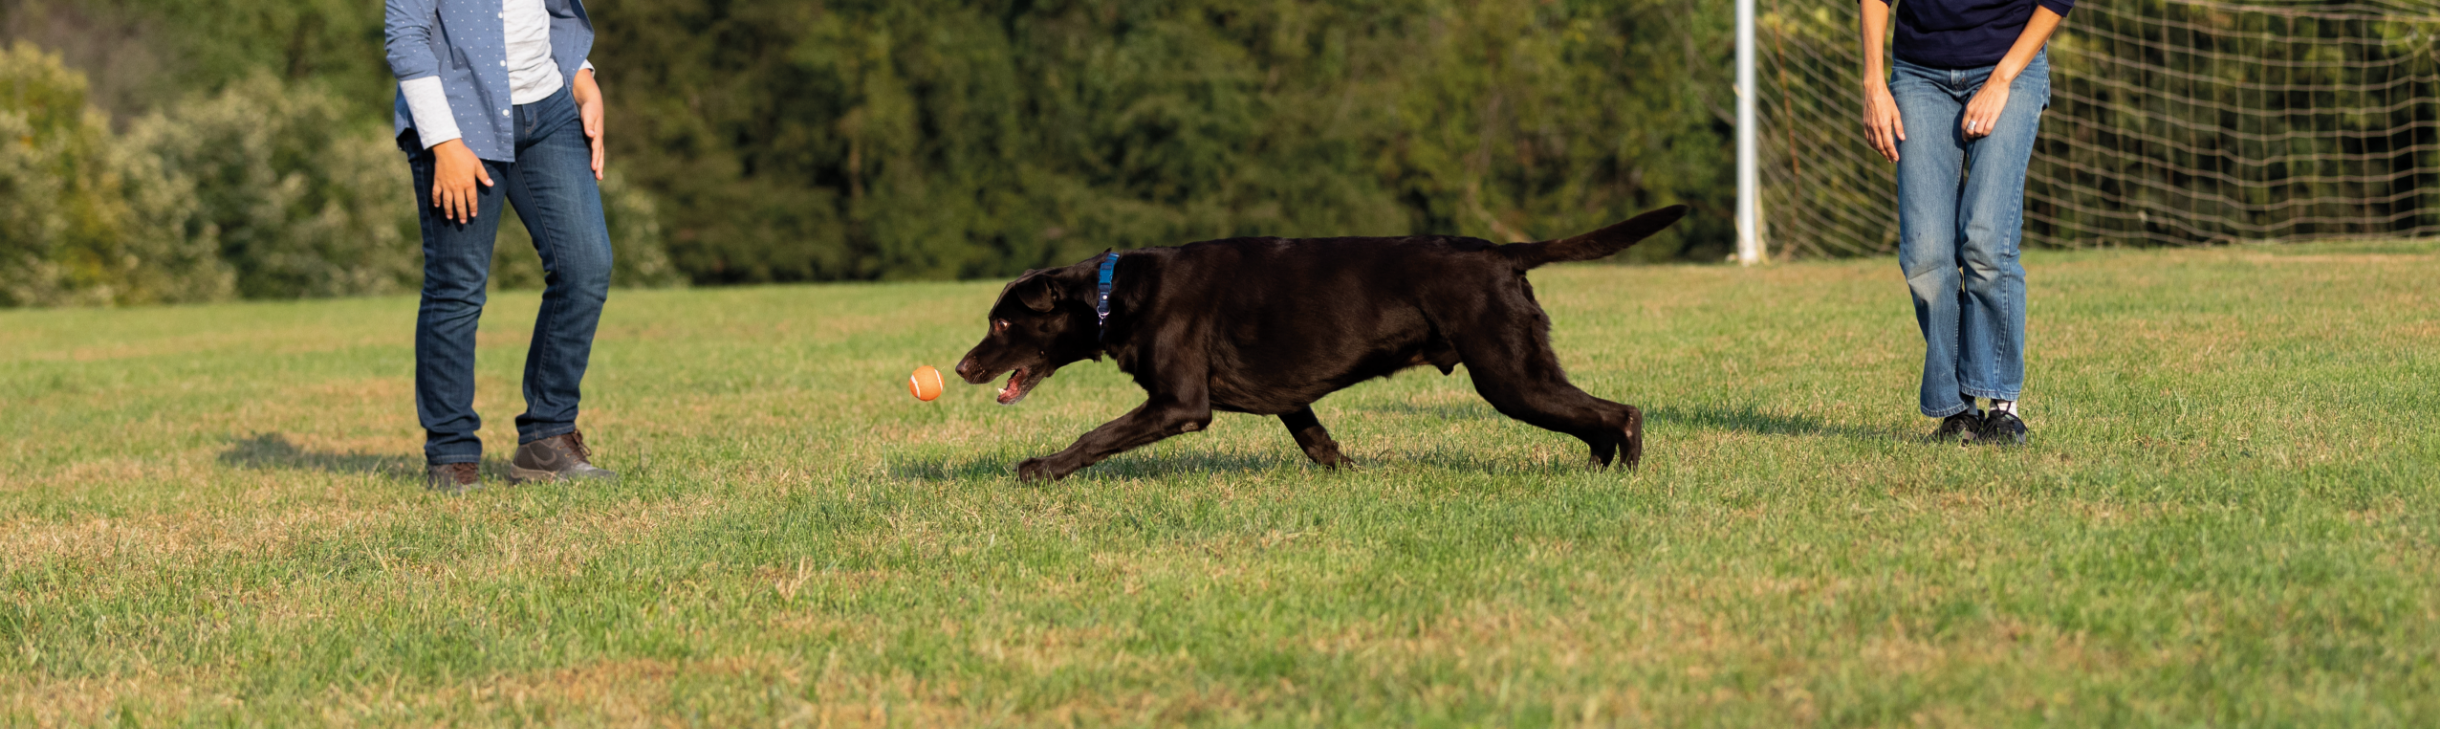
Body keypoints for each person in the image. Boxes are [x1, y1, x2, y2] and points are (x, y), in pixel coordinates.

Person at [386, 0, 619, 491]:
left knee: (586, 267)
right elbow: (406, 38)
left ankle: (547, 439)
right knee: (457, 289)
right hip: (457, 121)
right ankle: (450, 454)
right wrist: (445, 144)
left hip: (549, 112)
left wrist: (583, 78)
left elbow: (555, 10)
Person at [1858, 0, 2069, 445]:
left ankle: (2002, 408)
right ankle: (1958, 413)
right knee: (1925, 255)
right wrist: (1874, 84)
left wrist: (2001, 79)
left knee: (1986, 241)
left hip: (2010, 62)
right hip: (1919, 74)